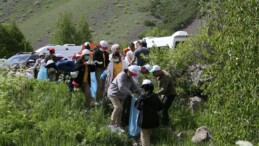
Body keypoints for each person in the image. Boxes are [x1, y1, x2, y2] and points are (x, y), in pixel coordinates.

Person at [107, 65, 142, 131]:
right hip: (113, 93)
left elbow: (134, 86)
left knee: (121, 109)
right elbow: (121, 87)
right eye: (131, 73)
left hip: (121, 95)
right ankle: (111, 125)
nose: (132, 75)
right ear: (128, 71)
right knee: (118, 107)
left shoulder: (130, 77)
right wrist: (130, 93)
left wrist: (140, 92)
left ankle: (118, 125)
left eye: (133, 74)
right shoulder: (121, 75)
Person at [135, 79, 162, 146]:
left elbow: (137, 106)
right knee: (148, 135)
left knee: (144, 137)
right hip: (153, 120)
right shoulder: (155, 96)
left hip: (144, 120)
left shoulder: (142, 97)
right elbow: (160, 106)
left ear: (145, 88)